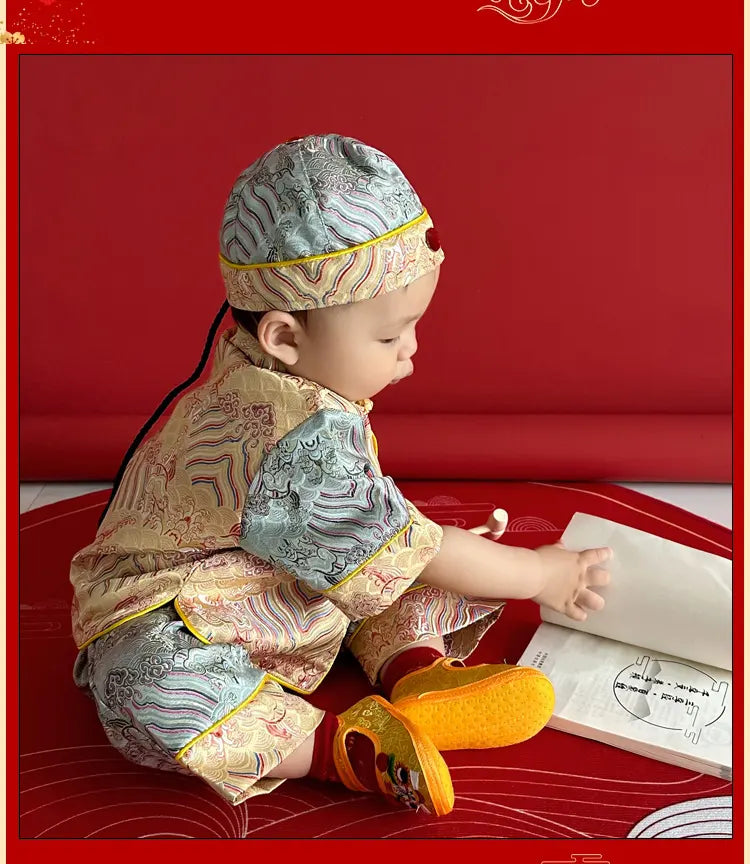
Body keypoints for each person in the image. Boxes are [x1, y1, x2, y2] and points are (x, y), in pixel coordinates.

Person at [70, 134, 612, 817]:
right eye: (389, 337)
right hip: (177, 609)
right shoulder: (290, 438)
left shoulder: (262, 366)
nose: (411, 351)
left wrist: (413, 555)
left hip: (277, 580)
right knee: (148, 684)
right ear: (284, 337)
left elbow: (384, 547)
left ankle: (421, 677)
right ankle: (340, 748)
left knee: (392, 570)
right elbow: (408, 547)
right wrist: (539, 574)